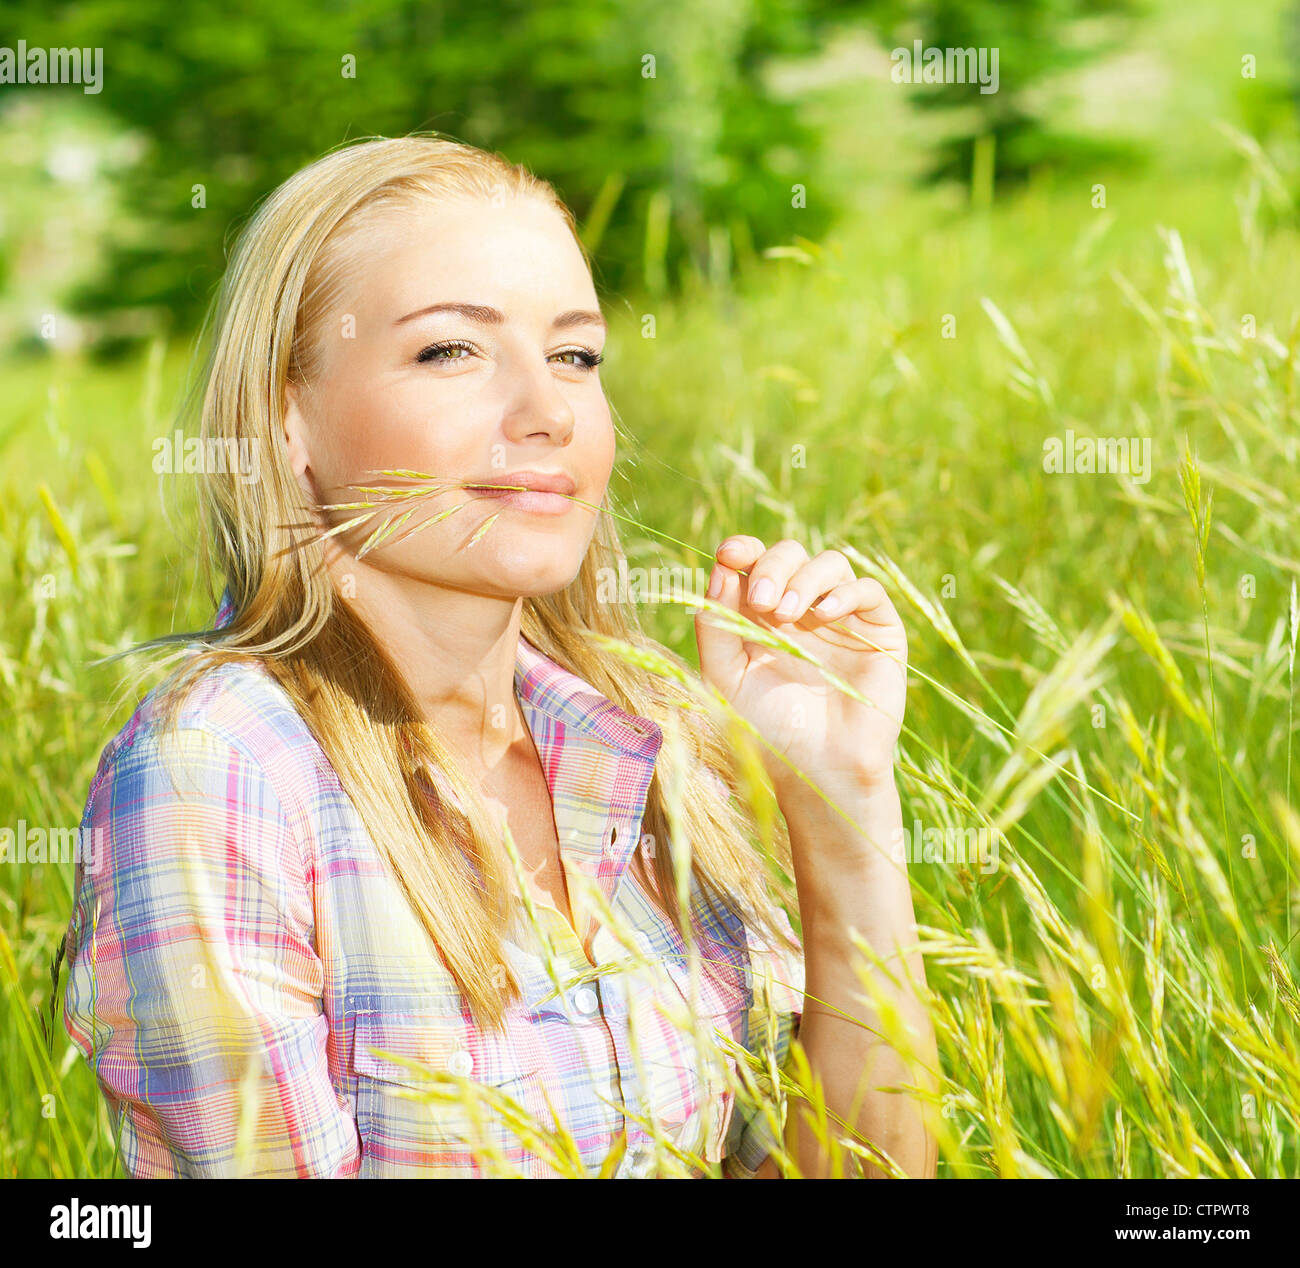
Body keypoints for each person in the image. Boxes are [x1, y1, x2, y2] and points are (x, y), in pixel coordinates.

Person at [60, 134, 938, 1178]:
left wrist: (841, 805)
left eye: (575, 354)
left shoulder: (655, 741)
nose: (550, 412)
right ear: (286, 416)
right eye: (451, 351)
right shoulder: (218, 774)